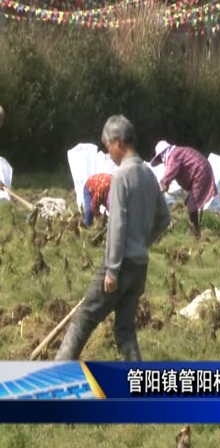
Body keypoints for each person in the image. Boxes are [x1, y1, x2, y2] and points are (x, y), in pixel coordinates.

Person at [55, 115, 171, 361]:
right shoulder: (149, 175)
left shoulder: (121, 176)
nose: (108, 153)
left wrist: (112, 270)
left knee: (84, 318)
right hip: (140, 267)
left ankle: (55, 376)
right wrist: (143, 242)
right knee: (125, 331)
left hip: (120, 266)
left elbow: (117, 224)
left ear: (118, 142)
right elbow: (164, 219)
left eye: (108, 147)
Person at [151, 140, 217, 239]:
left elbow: (170, 172)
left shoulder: (174, 155)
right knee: (190, 201)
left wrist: (162, 185)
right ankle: (194, 229)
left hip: (200, 172)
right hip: (201, 170)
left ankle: (195, 232)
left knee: (192, 203)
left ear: (163, 153)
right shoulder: (177, 152)